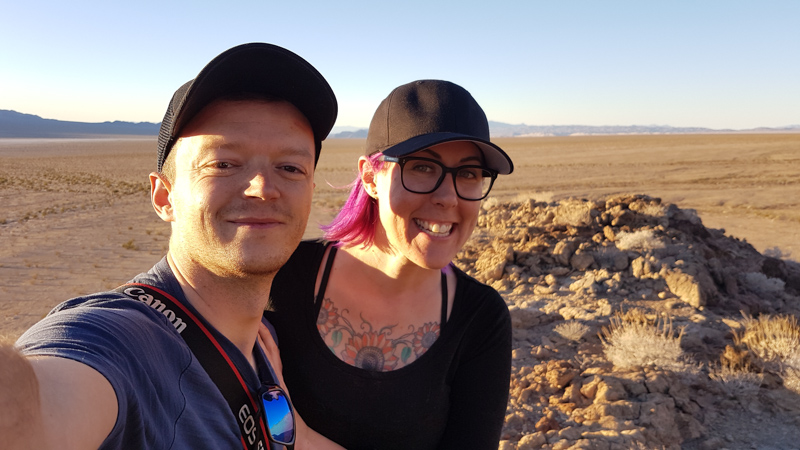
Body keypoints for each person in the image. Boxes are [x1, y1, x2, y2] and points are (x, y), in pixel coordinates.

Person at [1, 42, 343, 450]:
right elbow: (34, 412)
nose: (263, 188)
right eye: (223, 163)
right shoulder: (121, 339)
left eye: (290, 167)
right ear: (164, 197)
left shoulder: (261, 344)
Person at [265, 79, 514, 449]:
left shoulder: (480, 320)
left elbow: (267, 416)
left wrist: (295, 436)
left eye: (468, 174)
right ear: (370, 177)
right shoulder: (282, 277)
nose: (448, 197)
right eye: (423, 168)